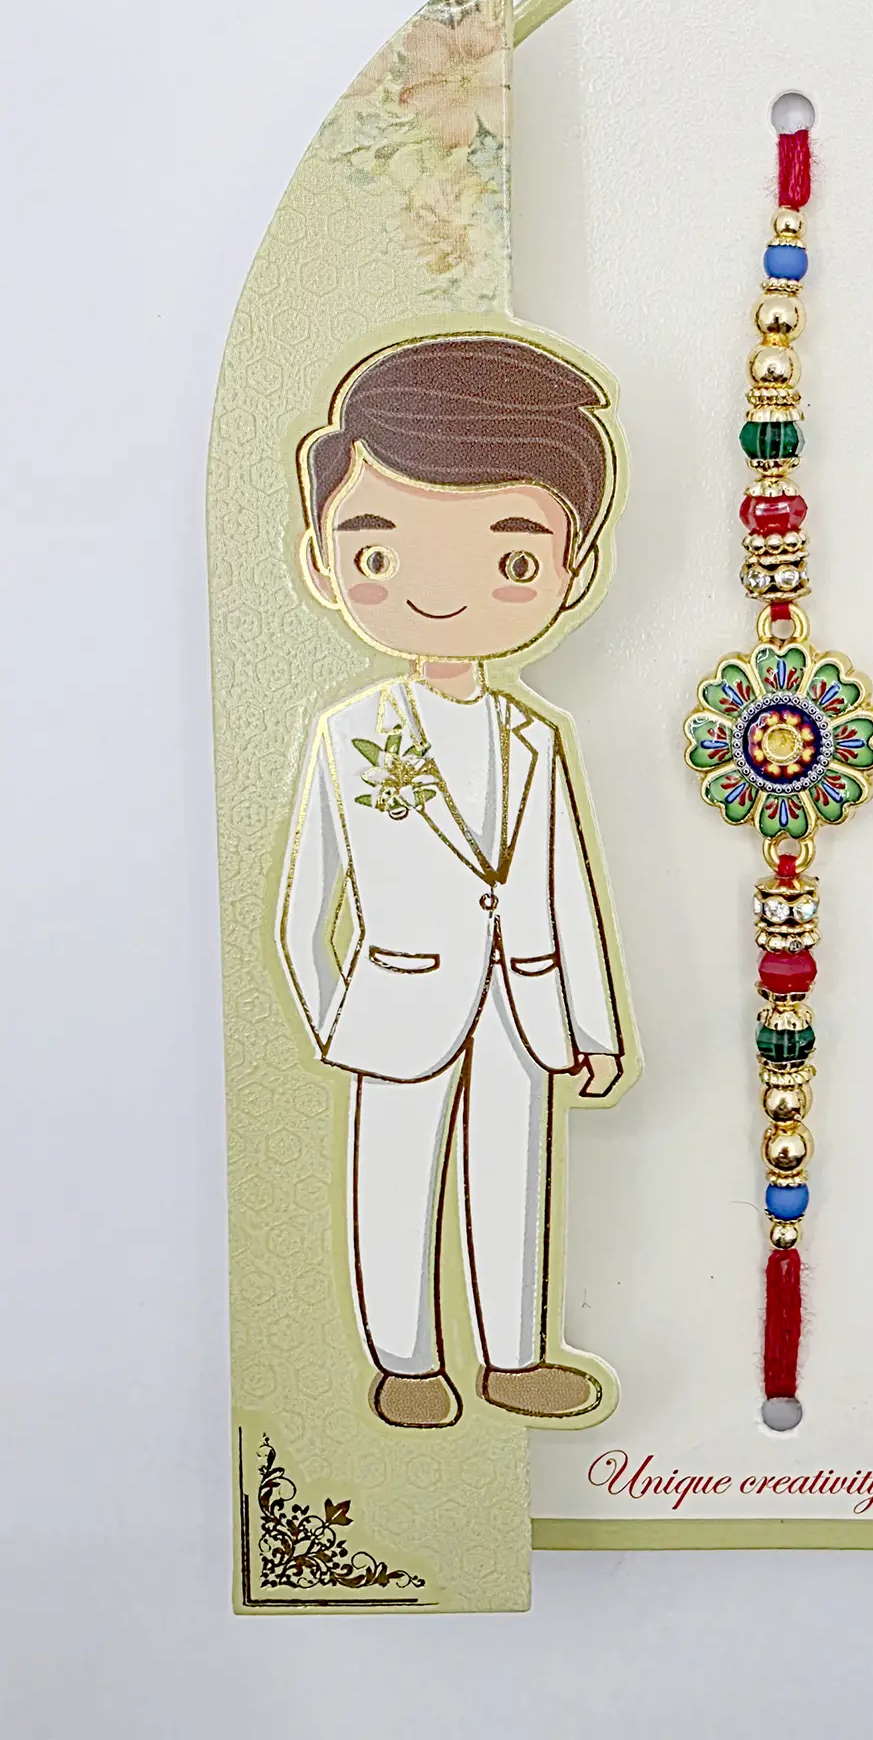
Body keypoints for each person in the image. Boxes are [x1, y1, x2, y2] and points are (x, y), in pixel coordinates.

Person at [278, 329, 627, 1430]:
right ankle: (404, 1357)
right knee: (393, 1178)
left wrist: (594, 1025)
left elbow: (568, 892)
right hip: (398, 1004)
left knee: (512, 1175)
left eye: (512, 561)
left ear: (572, 573)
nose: (439, 593)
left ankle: (514, 1356)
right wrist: (337, 1016)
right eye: (379, 554)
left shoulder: (533, 741)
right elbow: (304, 909)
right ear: (323, 561)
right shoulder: (348, 736)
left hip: (523, 1003)